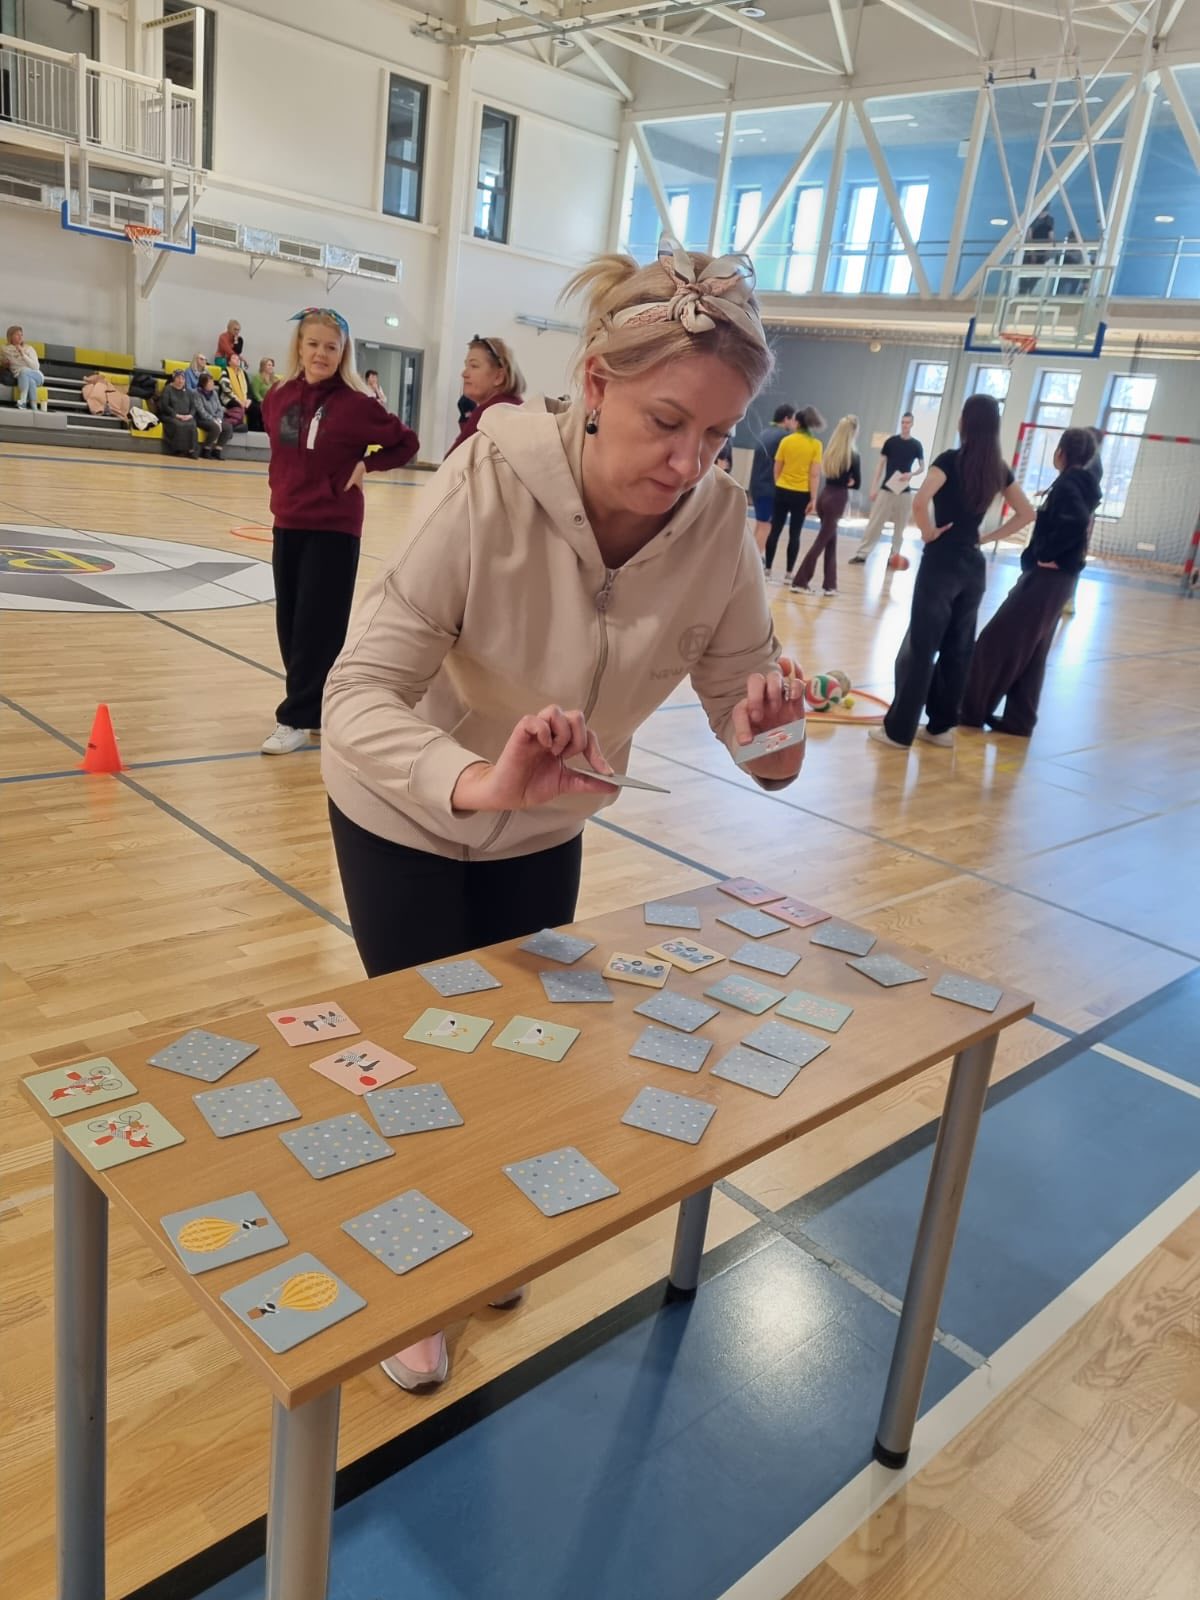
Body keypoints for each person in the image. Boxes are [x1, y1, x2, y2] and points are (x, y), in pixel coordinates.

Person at [321, 236, 807, 1392]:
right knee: (425, 1058)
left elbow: (763, 750)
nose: (688, 461)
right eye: (665, 422)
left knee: (514, 1060)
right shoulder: (485, 482)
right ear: (594, 383)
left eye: (717, 435)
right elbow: (355, 694)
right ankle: (417, 1285)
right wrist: (477, 780)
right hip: (407, 814)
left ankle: (476, 1242)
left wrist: (774, 731)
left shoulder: (717, 524)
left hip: (546, 827)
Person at [260, 307, 420, 756]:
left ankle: (295, 717)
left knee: (319, 624)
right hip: (287, 520)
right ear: (299, 346)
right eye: (313, 344)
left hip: (334, 527)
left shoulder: (357, 405)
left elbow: (406, 442)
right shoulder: (279, 396)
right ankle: (315, 709)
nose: (321, 354)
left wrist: (366, 465)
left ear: (343, 353)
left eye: (331, 347)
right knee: (290, 622)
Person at [869, 393, 1034, 751]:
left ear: (965, 422)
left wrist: (928, 532)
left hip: (941, 561)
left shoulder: (948, 460)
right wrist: (985, 537)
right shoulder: (997, 468)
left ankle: (899, 732)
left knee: (922, 646)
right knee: (959, 648)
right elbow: (1027, 513)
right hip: (973, 566)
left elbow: (919, 500)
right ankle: (941, 728)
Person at [961, 428, 1100, 738]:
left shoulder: (1069, 484)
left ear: (1061, 453)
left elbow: (1077, 521)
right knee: (1034, 650)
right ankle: (1019, 719)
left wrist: (1048, 555)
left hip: (1049, 578)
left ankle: (970, 710)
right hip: (1059, 580)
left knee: (995, 640)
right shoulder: (1083, 483)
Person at [791, 415, 860, 597]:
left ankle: (830, 585)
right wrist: (849, 481)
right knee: (821, 542)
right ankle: (800, 581)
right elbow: (857, 482)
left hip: (824, 495)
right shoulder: (853, 455)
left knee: (831, 541)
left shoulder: (830, 451)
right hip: (837, 498)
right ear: (853, 432)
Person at [850, 411, 924, 564]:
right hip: (886, 489)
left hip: (904, 491)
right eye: (903, 422)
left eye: (908, 423)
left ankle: (894, 555)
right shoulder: (891, 442)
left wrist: (911, 474)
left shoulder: (916, 445)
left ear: (912, 424)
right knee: (875, 522)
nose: (905, 425)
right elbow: (880, 465)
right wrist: (874, 487)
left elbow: (922, 467)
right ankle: (863, 553)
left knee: (900, 526)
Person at [765, 405, 823, 580]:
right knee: (795, 534)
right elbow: (814, 474)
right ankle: (789, 573)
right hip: (802, 494)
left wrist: (779, 484)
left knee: (775, 530)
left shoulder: (786, 441)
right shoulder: (816, 445)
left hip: (782, 490)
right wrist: (813, 498)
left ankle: (768, 569)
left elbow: (777, 467)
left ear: (797, 423)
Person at [445, 336, 525, 456]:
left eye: (474, 366)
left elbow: (452, 461)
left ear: (499, 377)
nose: (464, 374)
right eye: (466, 366)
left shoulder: (489, 412)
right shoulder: (517, 408)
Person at [1062, 425, 1103, 617]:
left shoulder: (1090, 467)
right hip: (1081, 516)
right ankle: (1066, 598)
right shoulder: (1085, 467)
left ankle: (1068, 598)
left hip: (1080, 518)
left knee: (1073, 556)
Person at [749, 404, 796, 555]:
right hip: (769, 488)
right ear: (786, 419)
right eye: (793, 420)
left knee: (760, 525)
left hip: (756, 486)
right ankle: (753, 562)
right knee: (766, 527)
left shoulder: (765, 433)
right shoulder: (784, 437)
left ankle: (750, 557)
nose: (795, 424)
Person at [156, 368, 199, 457]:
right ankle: (178, 450)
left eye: (183, 378)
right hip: (170, 416)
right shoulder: (168, 389)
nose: (180, 381)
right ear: (174, 379)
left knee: (192, 424)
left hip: (186, 416)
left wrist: (190, 415)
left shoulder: (188, 392)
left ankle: (191, 450)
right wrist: (176, 415)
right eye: (178, 378)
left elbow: (193, 406)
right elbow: (165, 406)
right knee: (178, 424)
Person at [3, 325, 45, 410]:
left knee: (24, 371)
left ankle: (23, 401)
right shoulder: (5, 350)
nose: (20, 337)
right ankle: (34, 407)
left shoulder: (29, 349)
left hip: (36, 375)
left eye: (21, 335)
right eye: (17, 335)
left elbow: (36, 367)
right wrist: (4, 364)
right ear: (11, 336)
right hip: (20, 377)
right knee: (31, 382)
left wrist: (23, 354)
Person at [193, 373, 232, 459]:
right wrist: (213, 420)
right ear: (203, 383)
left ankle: (217, 450)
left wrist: (218, 419)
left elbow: (219, 408)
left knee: (228, 427)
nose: (212, 384)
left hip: (215, 418)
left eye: (212, 382)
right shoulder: (196, 394)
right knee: (215, 427)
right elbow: (201, 411)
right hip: (202, 419)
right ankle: (206, 449)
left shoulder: (214, 393)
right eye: (210, 382)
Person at [217, 354, 249, 430]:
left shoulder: (243, 373)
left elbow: (249, 390)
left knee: (255, 408)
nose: (237, 360)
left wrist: (248, 400)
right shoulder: (225, 371)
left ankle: (252, 429)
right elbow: (226, 389)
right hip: (228, 398)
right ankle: (228, 423)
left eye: (238, 358)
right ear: (229, 362)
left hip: (243, 399)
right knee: (238, 405)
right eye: (234, 358)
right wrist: (238, 400)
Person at [247, 357, 278, 431]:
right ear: (263, 366)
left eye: (272, 365)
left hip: (270, 402)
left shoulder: (274, 378)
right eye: (269, 365)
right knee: (260, 409)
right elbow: (255, 392)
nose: (271, 367)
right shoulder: (257, 377)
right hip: (258, 401)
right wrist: (263, 401)